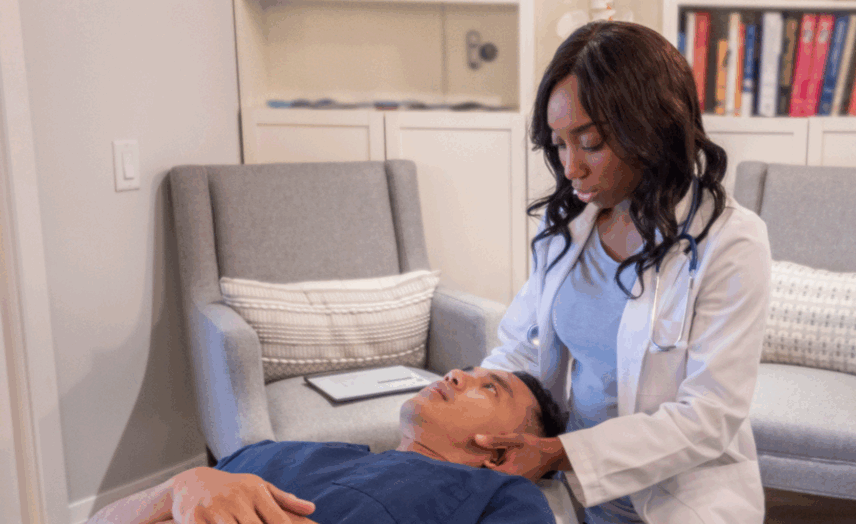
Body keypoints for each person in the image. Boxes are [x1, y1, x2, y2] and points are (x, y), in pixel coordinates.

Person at [472, 21, 771, 524]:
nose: (570, 168)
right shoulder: (566, 224)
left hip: (681, 500)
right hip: (574, 492)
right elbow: (524, 344)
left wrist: (562, 453)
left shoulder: (732, 241)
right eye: (560, 144)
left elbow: (708, 418)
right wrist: (465, 393)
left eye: (589, 143)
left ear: (650, 128)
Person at [87, 368, 567, 524]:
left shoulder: (498, 498)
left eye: (489, 388)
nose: (458, 374)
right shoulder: (276, 451)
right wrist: (178, 487)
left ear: (501, 452)